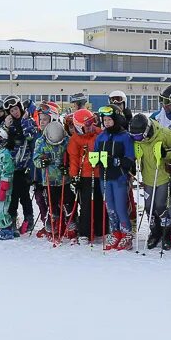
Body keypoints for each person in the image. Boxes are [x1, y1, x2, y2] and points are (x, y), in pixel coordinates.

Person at [130, 112, 171, 250]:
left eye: (140, 136)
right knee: (148, 207)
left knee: (160, 206)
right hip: (147, 177)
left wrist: (166, 154)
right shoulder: (139, 140)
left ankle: (167, 233)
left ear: (147, 130)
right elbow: (134, 150)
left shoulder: (164, 134)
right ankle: (155, 232)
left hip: (163, 176)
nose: (138, 139)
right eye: (135, 137)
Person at [93, 106, 135, 250]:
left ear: (116, 120)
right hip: (104, 177)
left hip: (119, 177)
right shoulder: (101, 137)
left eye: (109, 119)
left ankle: (127, 234)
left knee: (120, 207)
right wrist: (95, 159)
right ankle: (115, 232)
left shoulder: (125, 136)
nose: (107, 122)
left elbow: (130, 158)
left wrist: (116, 161)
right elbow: (95, 153)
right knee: (109, 207)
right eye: (104, 120)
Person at [67, 108, 105, 243]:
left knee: (100, 202)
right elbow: (74, 159)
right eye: (86, 125)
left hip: (100, 173)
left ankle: (102, 230)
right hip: (85, 176)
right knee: (87, 204)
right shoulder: (75, 140)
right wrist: (74, 176)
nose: (90, 127)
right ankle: (85, 232)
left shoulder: (99, 133)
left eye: (91, 124)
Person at [33, 117, 73, 239]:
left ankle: (71, 225)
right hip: (49, 180)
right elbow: (36, 159)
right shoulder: (41, 142)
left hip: (64, 180)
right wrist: (41, 163)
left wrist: (68, 168)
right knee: (52, 204)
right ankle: (52, 226)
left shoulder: (67, 141)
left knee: (68, 202)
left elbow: (72, 157)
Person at [4, 95, 38, 233]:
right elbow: (2, 139)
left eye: (16, 109)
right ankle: (12, 218)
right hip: (11, 166)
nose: (15, 113)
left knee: (24, 195)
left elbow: (30, 136)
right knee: (12, 195)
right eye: (12, 111)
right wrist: (6, 126)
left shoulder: (28, 121)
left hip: (24, 166)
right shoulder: (9, 124)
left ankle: (28, 219)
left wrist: (24, 121)